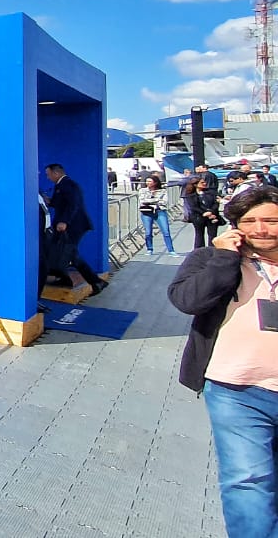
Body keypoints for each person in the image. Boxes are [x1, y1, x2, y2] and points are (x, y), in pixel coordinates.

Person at [169, 185, 278, 536]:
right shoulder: (210, 257)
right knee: (249, 480)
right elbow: (187, 300)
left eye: (272, 220)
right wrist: (225, 258)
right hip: (237, 389)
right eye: (250, 221)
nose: (261, 229)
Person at [46, 163, 107, 294]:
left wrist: (64, 221)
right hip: (67, 225)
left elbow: (74, 204)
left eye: (48, 174)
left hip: (73, 226)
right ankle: (64, 277)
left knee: (71, 254)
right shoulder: (60, 185)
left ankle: (96, 281)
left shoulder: (68, 185)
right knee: (61, 252)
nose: (48, 177)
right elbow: (60, 203)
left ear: (56, 173)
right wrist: (48, 201)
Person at [139, 175, 177, 256]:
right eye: (147, 181)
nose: (147, 183)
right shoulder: (142, 190)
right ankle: (149, 249)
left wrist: (150, 202)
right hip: (147, 212)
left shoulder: (162, 191)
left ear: (155, 182)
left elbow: (164, 202)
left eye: (150, 181)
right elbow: (142, 200)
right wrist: (155, 201)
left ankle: (171, 250)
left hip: (160, 211)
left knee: (166, 231)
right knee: (148, 232)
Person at [187, 176, 224, 249]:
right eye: (202, 182)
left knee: (212, 235)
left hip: (212, 216)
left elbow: (216, 203)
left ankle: (212, 250)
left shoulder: (211, 193)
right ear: (195, 184)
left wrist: (211, 212)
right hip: (198, 217)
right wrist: (204, 213)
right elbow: (194, 207)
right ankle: (199, 251)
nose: (205, 183)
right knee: (199, 234)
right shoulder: (191, 195)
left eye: (204, 182)